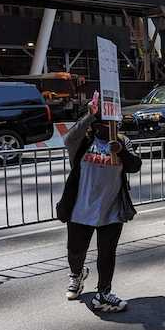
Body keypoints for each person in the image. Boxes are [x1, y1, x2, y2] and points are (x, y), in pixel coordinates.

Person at [57, 93, 142, 312]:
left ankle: (104, 292)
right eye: (104, 122)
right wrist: (89, 114)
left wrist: (121, 151)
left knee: (107, 254)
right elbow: (68, 138)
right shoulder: (83, 141)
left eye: (113, 122)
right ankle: (76, 275)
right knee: (75, 251)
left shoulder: (123, 142)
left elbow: (135, 165)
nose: (110, 126)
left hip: (111, 211)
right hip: (80, 209)